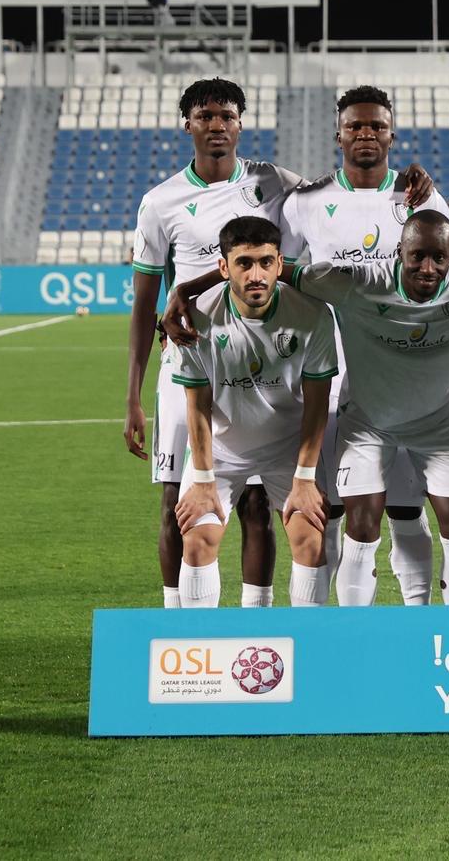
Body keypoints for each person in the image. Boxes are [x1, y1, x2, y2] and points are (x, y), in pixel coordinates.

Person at [168, 211, 449, 606]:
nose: (428, 268)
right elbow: (273, 274)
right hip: (351, 427)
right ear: (399, 251)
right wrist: (187, 288)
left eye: (440, 257)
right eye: (417, 256)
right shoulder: (354, 283)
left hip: (422, 427)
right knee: (357, 524)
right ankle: (346, 629)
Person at [126, 79, 303, 608]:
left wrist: (408, 181)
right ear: (188, 125)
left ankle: (256, 624)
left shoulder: (272, 183)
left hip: (256, 364)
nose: (217, 125)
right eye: (205, 116)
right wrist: (133, 396)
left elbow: (338, 192)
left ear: (241, 124)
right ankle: (176, 624)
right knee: (177, 501)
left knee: (255, 502)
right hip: (186, 364)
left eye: (227, 116)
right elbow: (143, 305)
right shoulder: (161, 202)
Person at [279, 86, 449, 606]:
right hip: (327, 378)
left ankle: (417, 615)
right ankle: (326, 623)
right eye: (355, 125)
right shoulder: (306, 202)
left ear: (392, 135)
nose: (366, 134)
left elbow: (447, 278)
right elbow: (279, 273)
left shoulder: (422, 200)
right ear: (338, 134)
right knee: (329, 508)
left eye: (377, 125)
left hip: (403, 379)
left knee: (404, 508)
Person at [169, 216, 338, 608]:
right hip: (221, 450)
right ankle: (202, 640)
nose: (256, 275)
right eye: (244, 263)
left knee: (310, 540)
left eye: (265, 262)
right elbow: (197, 405)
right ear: (224, 267)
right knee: (197, 538)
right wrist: (204, 480)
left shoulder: (312, 315)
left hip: (288, 448)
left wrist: (305, 478)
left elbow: (317, 404)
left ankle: (306, 638)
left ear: (280, 264)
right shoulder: (196, 318)